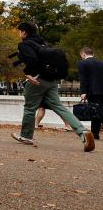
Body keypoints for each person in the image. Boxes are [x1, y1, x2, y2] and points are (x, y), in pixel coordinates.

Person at [10, 22, 94, 152]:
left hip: (37, 80)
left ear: (24, 32)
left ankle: (26, 136)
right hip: (52, 80)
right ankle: (83, 132)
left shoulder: (25, 44)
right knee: (59, 107)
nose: (18, 33)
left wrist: (27, 73)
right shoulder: (42, 43)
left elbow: (32, 60)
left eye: (19, 31)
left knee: (30, 108)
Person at [78, 47, 103, 140]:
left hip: (93, 91)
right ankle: (94, 133)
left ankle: (95, 133)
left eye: (81, 56)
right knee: (98, 111)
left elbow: (83, 79)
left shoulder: (82, 63)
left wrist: (83, 92)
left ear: (83, 54)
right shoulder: (101, 63)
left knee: (95, 112)